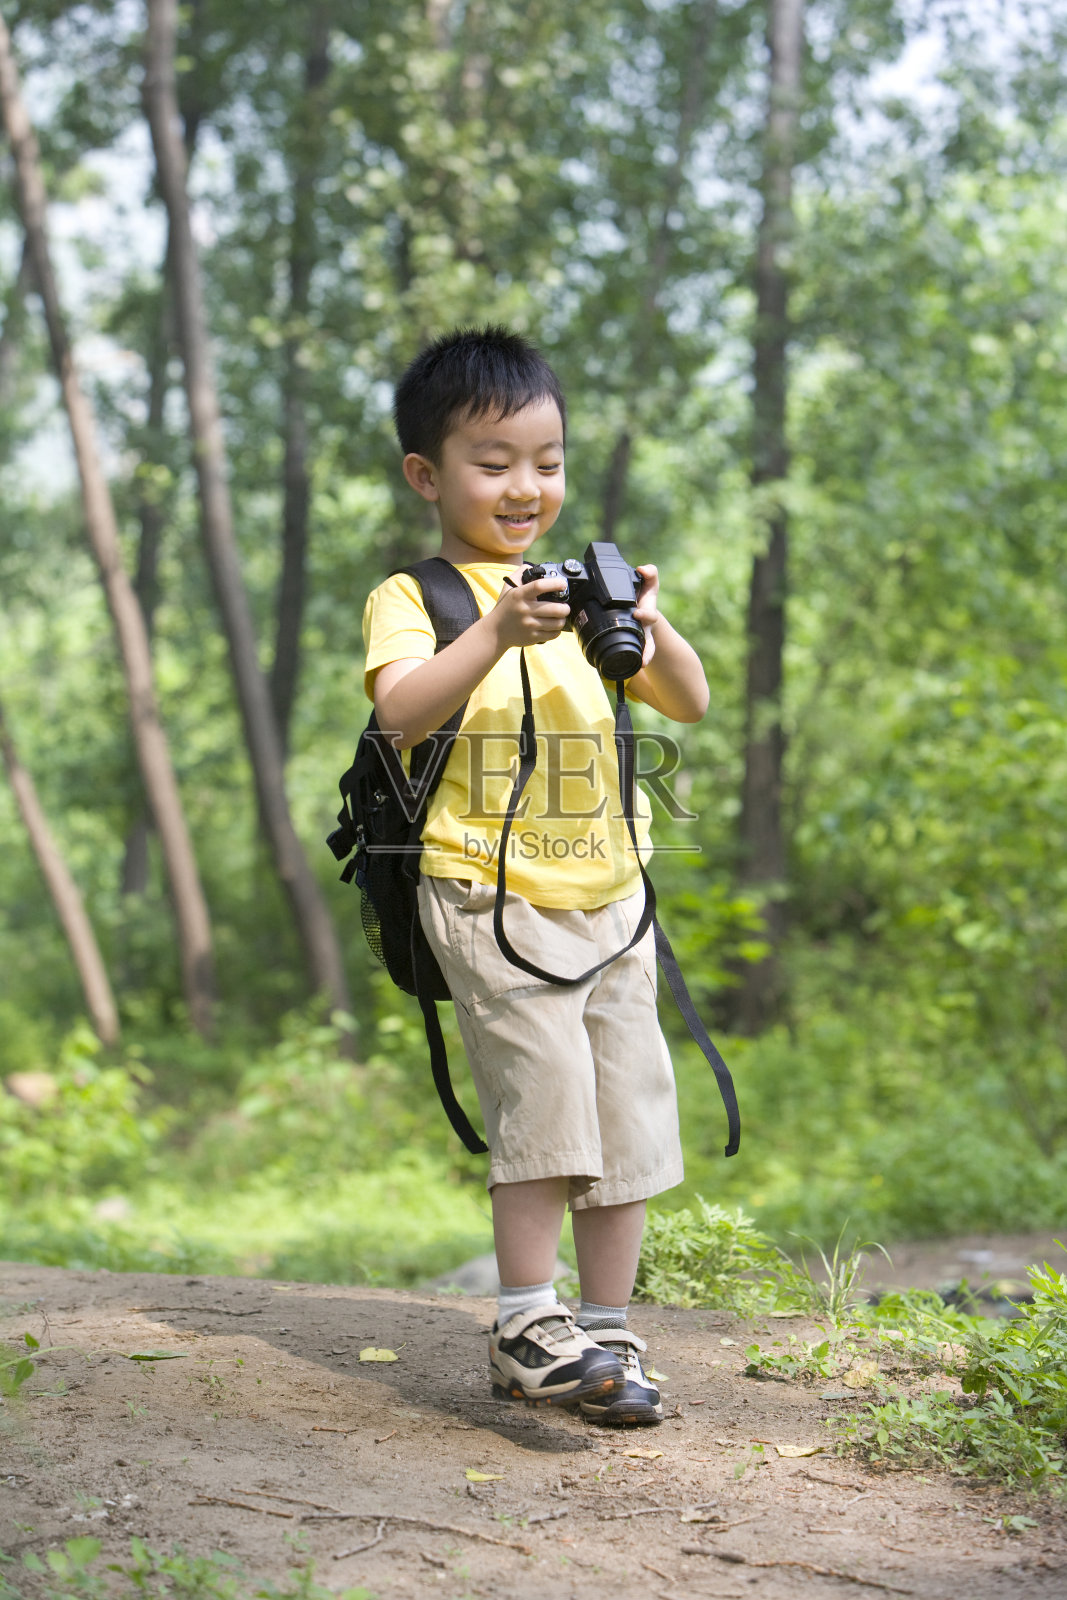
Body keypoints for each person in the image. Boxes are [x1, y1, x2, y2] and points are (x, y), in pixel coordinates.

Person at [362, 326, 709, 1427]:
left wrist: (645, 616)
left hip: (609, 901)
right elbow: (399, 710)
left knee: (627, 1117)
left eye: (547, 461)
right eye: (494, 461)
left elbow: (687, 702)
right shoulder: (419, 595)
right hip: (484, 890)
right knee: (546, 1106)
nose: (526, 485)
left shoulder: (581, 596)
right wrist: (500, 628)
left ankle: (602, 1330)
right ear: (428, 474)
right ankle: (525, 1321)